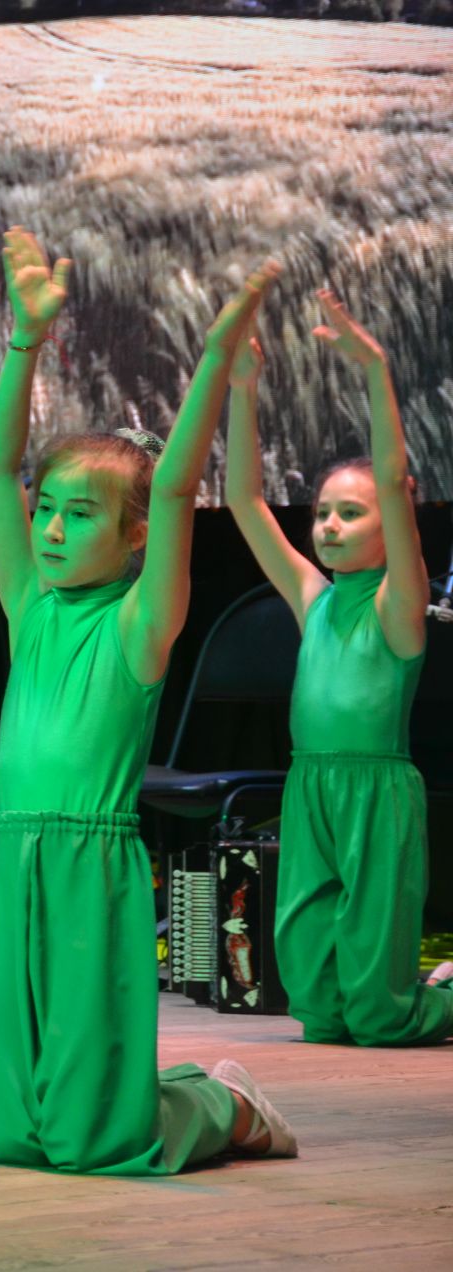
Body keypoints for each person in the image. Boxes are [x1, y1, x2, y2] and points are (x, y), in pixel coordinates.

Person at [0, 230, 295, 1173]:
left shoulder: (139, 625)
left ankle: (219, 1103)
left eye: (83, 513)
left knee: (100, 1141)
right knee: (20, 1137)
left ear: (135, 537)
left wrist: (217, 359)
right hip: (9, 854)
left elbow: (182, 484)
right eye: (50, 509)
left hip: (88, 862)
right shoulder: (32, 609)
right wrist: (25, 343)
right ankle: (180, 1096)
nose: (55, 527)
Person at [224, 289, 453, 1044]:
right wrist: (244, 391)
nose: (327, 524)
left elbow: (393, 482)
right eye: (322, 511)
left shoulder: (398, 606)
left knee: (380, 1017)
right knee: (319, 1012)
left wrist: (378, 370)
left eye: (348, 513)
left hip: (375, 791)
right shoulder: (313, 596)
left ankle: (438, 998)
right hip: (309, 784)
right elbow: (245, 500)